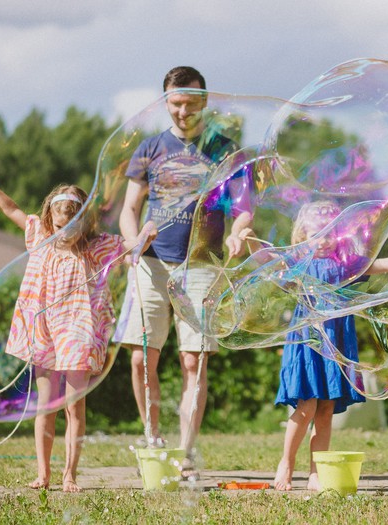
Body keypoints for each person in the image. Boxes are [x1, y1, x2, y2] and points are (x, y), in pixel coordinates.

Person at [0, 175, 155, 493]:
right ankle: (43, 473)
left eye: (73, 225)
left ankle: (70, 475)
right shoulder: (40, 238)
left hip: (79, 333)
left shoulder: (94, 249)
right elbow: (12, 211)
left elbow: (130, 247)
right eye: (61, 223)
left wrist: (146, 232)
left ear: (83, 222)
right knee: (47, 405)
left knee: (74, 407)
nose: (66, 231)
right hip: (45, 332)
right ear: (51, 219)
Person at [240, 200, 388, 491]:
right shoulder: (300, 261)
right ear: (303, 235)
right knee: (306, 406)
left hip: (337, 340)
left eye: (329, 233)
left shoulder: (345, 265)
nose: (322, 240)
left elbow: (384, 265)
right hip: (308, 341)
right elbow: (266, 259)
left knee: (325, 411)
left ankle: (315, 473)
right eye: (316, 234)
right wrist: (249, 241)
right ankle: (286, 461)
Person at [115, 66, 252, 474]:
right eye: (176, 103)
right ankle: (153, 438)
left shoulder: (228, 153)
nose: (183, 111)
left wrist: (239, 234)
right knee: (141, 359)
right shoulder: (150, 149)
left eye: (191, 103)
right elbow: (129, 209)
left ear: (205, 102)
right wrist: (131, 241)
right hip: (151, 263)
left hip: (202, 266)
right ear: (165, 102)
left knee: (194, 362)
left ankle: (186, 451)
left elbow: (244, 212)